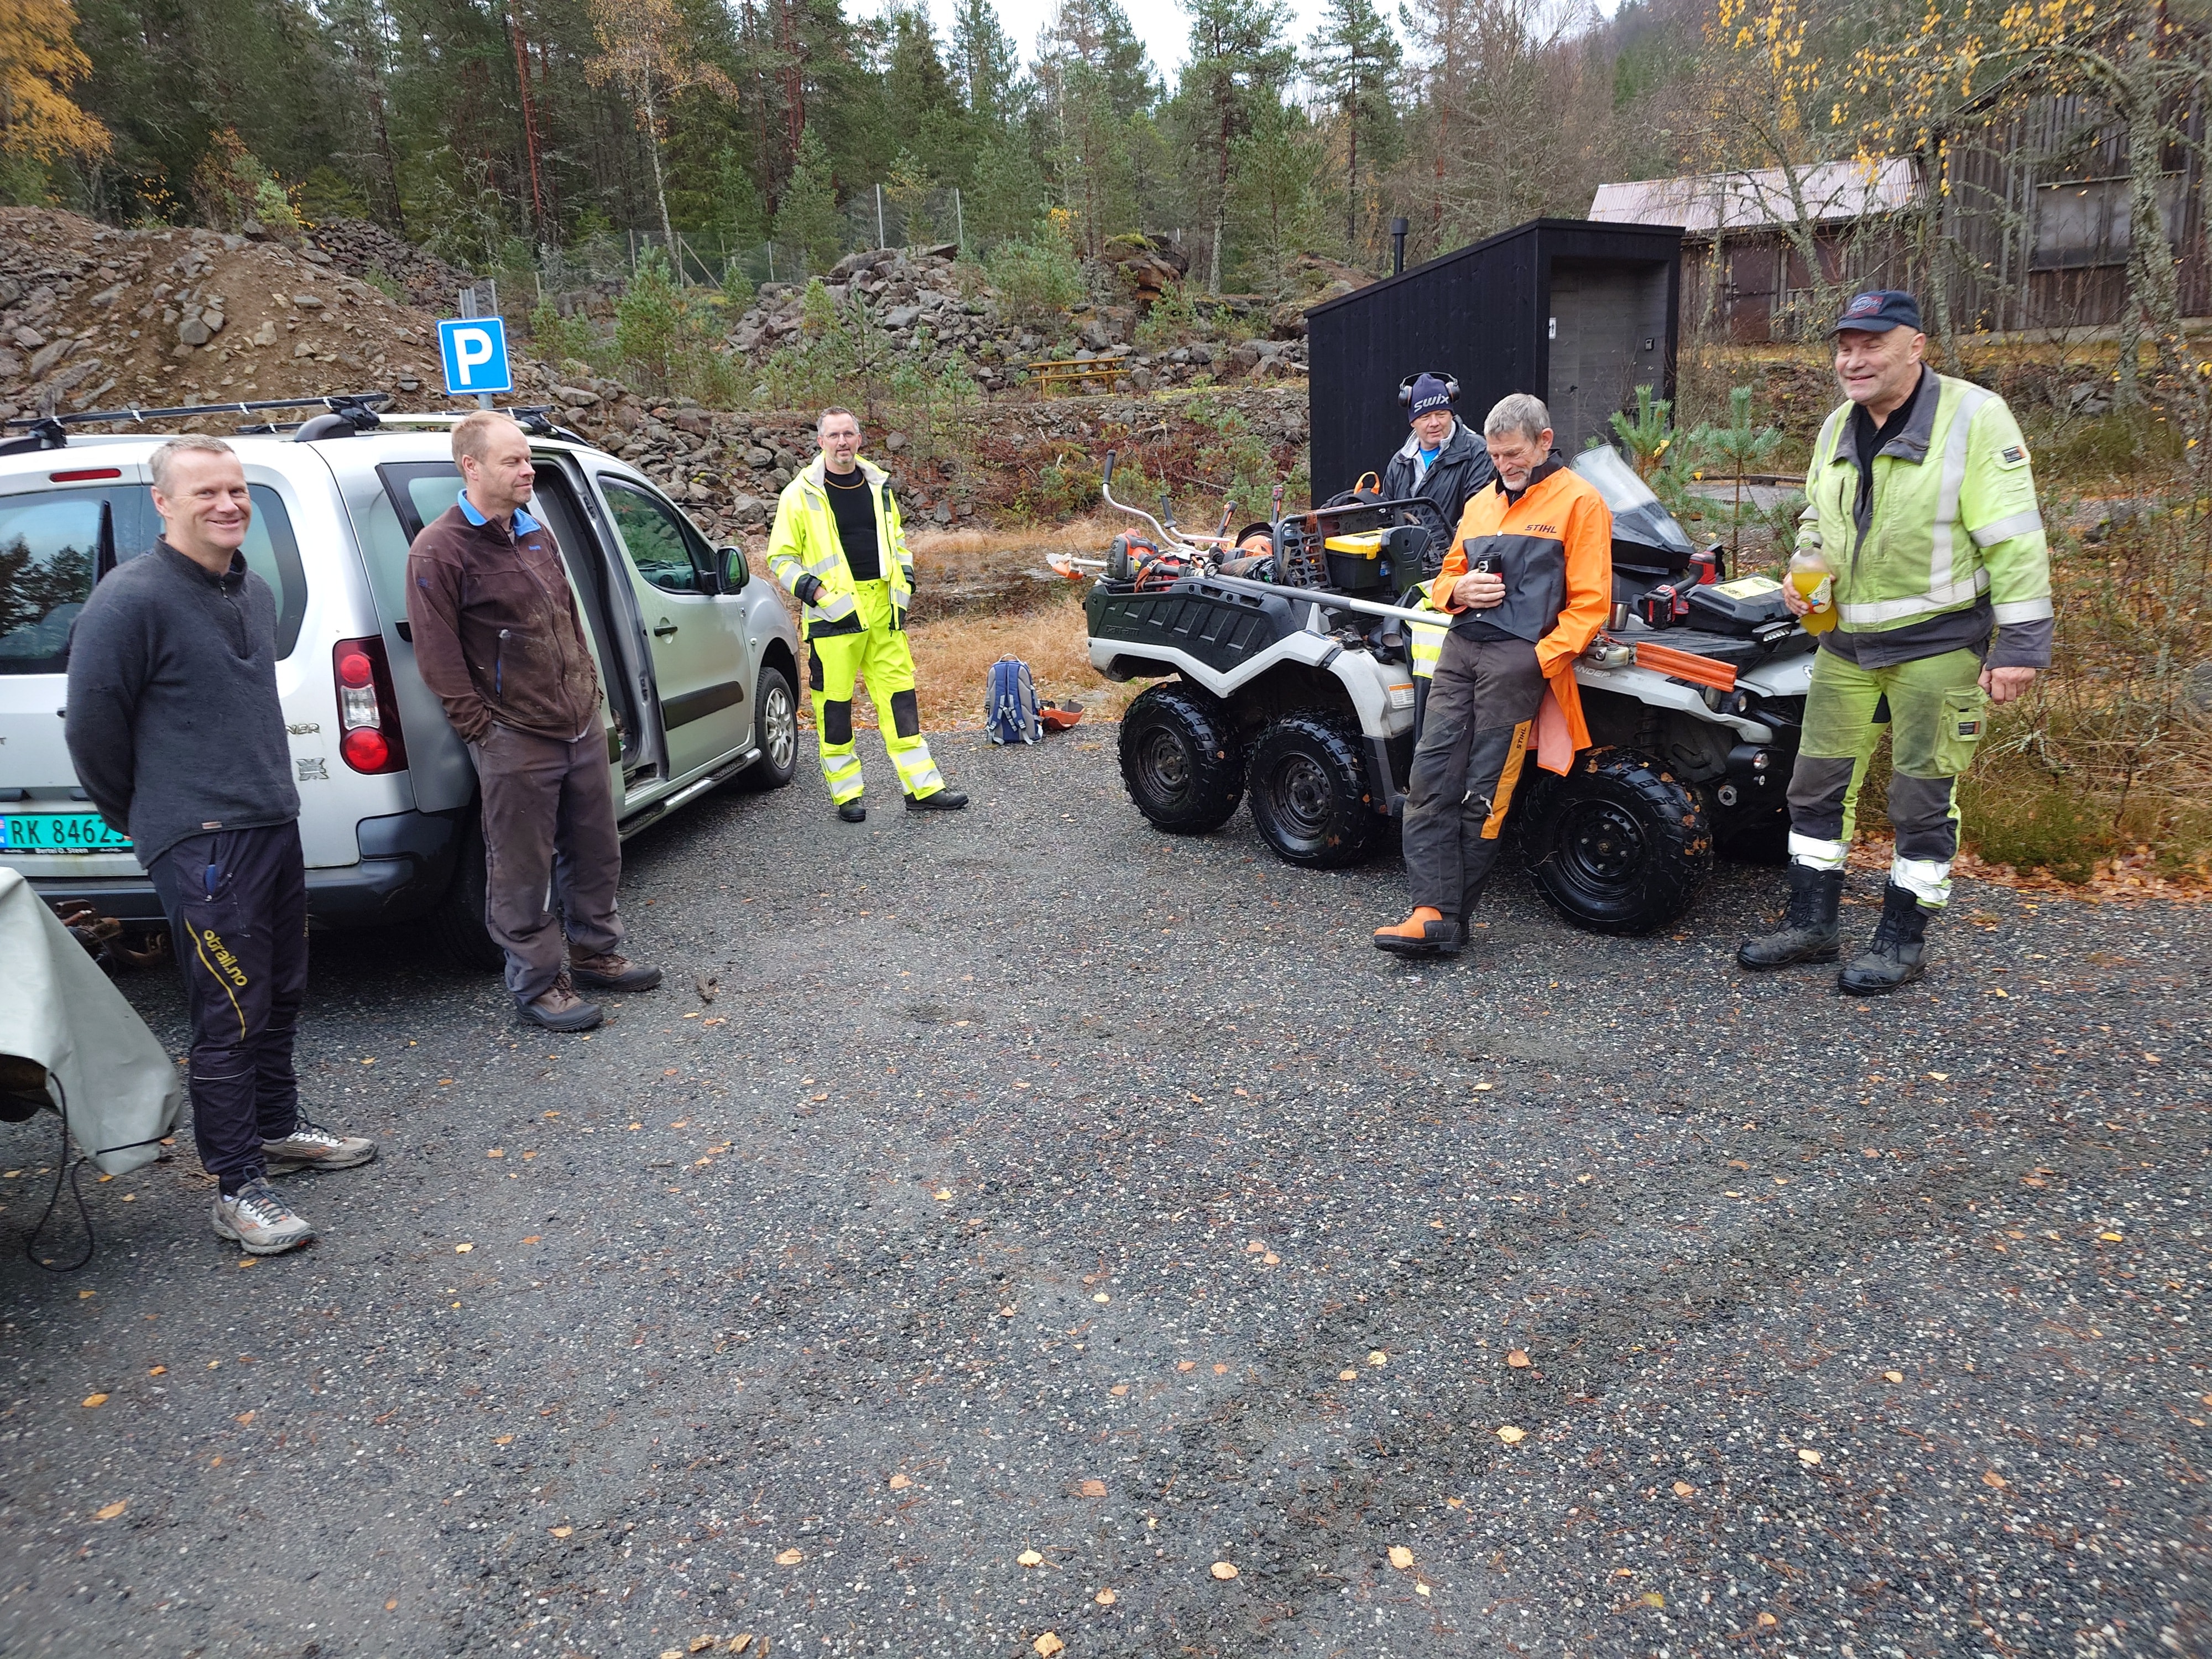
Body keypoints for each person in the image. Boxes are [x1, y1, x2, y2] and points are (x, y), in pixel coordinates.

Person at [66, 436, 375, 1255]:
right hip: (200, 843)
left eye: (237, 490)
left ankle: (276, 1129)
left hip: (269, 822)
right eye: (206, 492)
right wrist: (148, 818)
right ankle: (237, 1186)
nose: (228, 505)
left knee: (280, 990)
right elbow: (95, 730)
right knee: (230, 1009)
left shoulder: (253, 590)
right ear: (163, 503)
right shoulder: (129, 601)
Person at [1737, 290, 2052, 994]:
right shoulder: (1835, 428)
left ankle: (1902, 938)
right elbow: (1816, 522)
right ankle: (1812, 923)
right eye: (1844, 347)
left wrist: (2023, 644)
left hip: (1937, 647)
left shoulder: (1974, 417)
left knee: (1920, 797)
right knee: (1813, 786)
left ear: (1916, 346)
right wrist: (1801, 575)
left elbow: (2014, 540)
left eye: (1871, 344)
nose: (1853, 360)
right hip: (1844, 645)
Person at [407, 410, 661, 1032]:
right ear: (471, 467)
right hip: (514, 736)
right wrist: (483, 729)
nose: (528, 470)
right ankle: (538, 983)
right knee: (521, 869)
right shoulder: (439, 550)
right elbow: (438, 656)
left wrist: (594, 695)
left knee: (597, 849)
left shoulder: (534, 531)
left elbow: (569, 622)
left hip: (576, 722)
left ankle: (595, 953)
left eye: (527, 460)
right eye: (513, 461)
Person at [1374, 394, 1611, 957]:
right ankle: (1428, 911)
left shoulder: (1580, 503)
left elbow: (1591, 604)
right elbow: (1446, 576)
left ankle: (1450, 920)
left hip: (1518, 661)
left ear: (1544, 442)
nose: (1505, 463)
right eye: (1497, 454)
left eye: (1515, 452)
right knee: (1429, 778)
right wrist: (1455, 591)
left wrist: (1539, 658)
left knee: (1484, 791)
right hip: (1459, 650)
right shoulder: (1480, 504)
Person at [768, 408, 967, 822]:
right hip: (833, 616)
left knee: (901, 702)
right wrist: (819, 594)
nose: (843, 442)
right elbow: (782, 559)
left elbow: (898, 542)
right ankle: (847, 795)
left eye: (849, 434)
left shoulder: (878, 485)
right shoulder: (800, 493)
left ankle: (923, 787)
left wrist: (905, 582)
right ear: (820, 441)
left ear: (859, 439)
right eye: (834, 435)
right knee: (835, 709)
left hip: (883, 611)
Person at [1380, 372, 1496, 528]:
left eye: (1441, 414)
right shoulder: (1399, 462)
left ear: (1451, 415)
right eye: (1425, 417)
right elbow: (1386, 517)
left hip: (1456, 551)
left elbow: (1477, 516)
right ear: (1413, 422)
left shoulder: (1477, 452)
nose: (1434, 423)